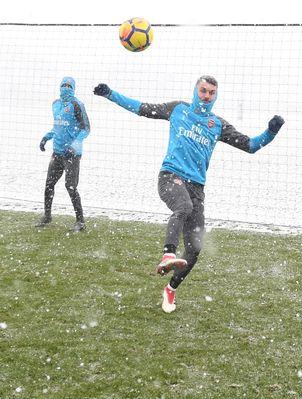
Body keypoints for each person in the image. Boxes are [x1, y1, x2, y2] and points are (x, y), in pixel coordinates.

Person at [93, 76, 285, 313]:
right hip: (170, 176)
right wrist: (110, 94)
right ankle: (168, 254)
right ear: (195, 91)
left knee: (194, 249)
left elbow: (251, 145)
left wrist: (271, 131)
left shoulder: (217, 125)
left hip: (197, 188)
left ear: (215, 96)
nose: (206, 96)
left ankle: (171, 289)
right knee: (183, 207)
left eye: (211, 93)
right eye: (203, 90)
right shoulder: (178, 109)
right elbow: (142, 108)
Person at [37, 76, 90, 232]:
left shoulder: (77, 104)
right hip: (57, 152)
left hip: (72, 155)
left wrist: (74, 146)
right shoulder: (55, 104)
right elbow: (57, 127)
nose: (65, 88)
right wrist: (46, 137)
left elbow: (86, 129)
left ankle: (80, 221)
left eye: (68, 86)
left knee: (71, 186)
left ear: (73, 88)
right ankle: (47, 216)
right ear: (59, 87)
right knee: (49, 185)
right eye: (63, 85)